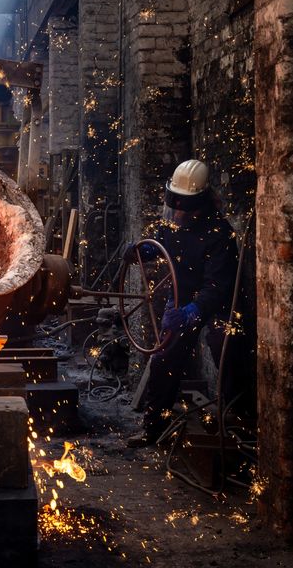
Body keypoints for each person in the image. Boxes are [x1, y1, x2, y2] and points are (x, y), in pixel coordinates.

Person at [123, 159, 239, 447]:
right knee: (163, 362)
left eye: (183, 206)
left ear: (199, 203)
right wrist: (143, 250)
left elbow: (218, 287)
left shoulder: (219, 234)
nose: (177, 211)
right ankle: (154, 429)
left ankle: (236, 424)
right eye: (174, 203)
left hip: (215, 306)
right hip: (182, 299)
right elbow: (160, 242)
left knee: (230, 357)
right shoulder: (173, 224)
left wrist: (193, 311)